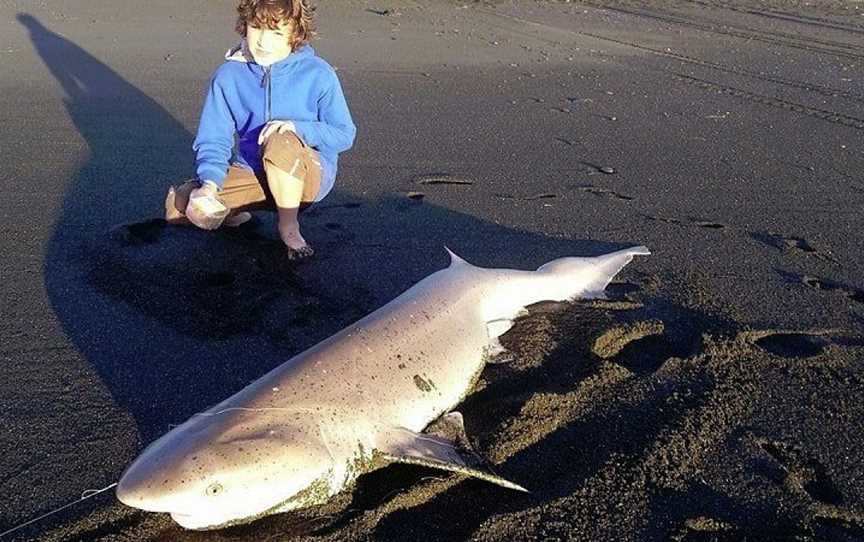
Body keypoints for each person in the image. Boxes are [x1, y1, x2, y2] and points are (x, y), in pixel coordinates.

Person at [165, 0, 356, 259]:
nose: (264, 42)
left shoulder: (319, 74)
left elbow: (344, 134)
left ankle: (288, 226)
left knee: (281, 141)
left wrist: (297, 129)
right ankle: (238, 211)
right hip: (253, 172)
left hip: (305, 177)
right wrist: (209, 185)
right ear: (245, 26)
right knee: (180, 207)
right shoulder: (227, 76)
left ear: (296, 34)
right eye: (257, 28)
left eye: (276, 32)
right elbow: (214, 139)